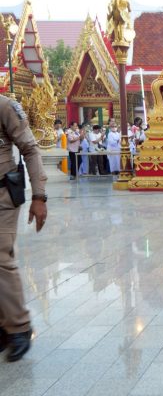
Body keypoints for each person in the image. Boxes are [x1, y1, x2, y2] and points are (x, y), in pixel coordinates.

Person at [0, 94, 48, 362]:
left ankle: (19, 327)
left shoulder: (5, 106)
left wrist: (39, 196)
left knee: (0, 257)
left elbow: (30, 149)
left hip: (2, 197)